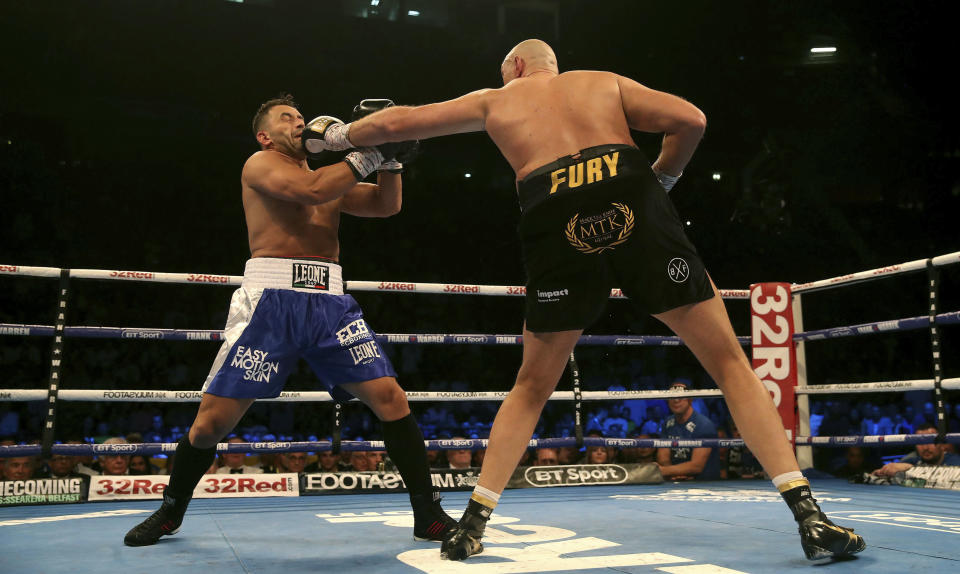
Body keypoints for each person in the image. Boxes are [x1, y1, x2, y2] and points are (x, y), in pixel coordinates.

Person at [307, 39, 865, 561]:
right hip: (628, 188)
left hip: (550, 207)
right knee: (728, 364)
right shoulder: (602, 81)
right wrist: (662, 179)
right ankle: (808, 515)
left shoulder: (498, 99)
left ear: (518, 67)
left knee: (531, 386)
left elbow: (395, 122)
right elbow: (691, 119)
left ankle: (471, 525)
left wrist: (337, 134)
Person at [123, 95, 454, 547]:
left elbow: (384, 206)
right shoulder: (260, 165)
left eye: (301, 117)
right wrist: (372, 150)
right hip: (270, 303)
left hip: (330, 303)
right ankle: (170, 510)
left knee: (390, 398)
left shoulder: (326, 177)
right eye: (287, 118)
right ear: (265, 135)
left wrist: (392, 161)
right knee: (211, 424)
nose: (299, 123)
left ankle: (428, 514)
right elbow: (311, 193)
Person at [657, 381, 720, 480]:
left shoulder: (703, 425)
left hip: (704, 486)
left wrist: (665, 471)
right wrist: (673, 473)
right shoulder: (668, 423)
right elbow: (662, 455)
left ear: (690, 399)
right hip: (675, 484)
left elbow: (696, 466)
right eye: (672, 397)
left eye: (681, 396)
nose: (676, 400)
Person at [871, 423, 960, 477]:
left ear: (941, 444)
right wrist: (882, 473)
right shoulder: (910, 460)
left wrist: (910, 469)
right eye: (920, 443)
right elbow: (879, 474)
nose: (925, 448)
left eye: (930, 442)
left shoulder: (955, 461)